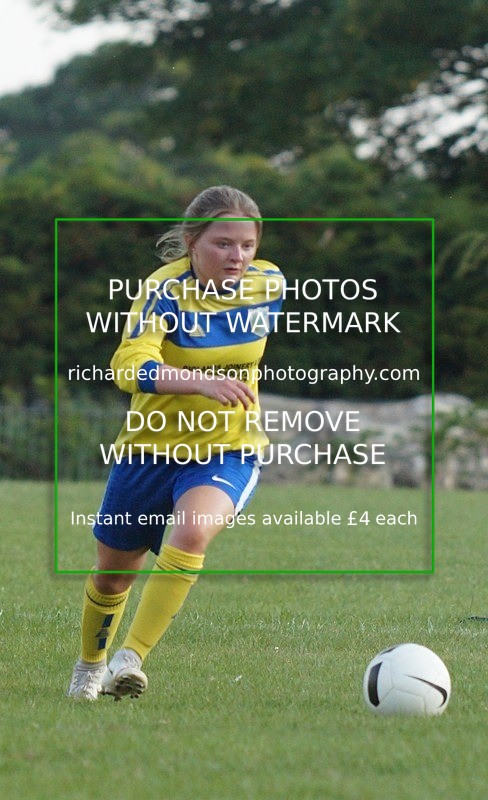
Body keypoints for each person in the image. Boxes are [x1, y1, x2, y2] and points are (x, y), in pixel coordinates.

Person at [68, 185, 284, 700]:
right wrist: (198, 380)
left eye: (247, 245)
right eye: (222, 245)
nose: (237, 257)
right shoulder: (161, 291)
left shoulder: (269, 283)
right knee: (114, 576)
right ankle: (90, 664)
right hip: (149, 447)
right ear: (192, 240)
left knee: (191, 535)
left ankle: (131, 657)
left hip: (228, 445)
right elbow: (127, 366)